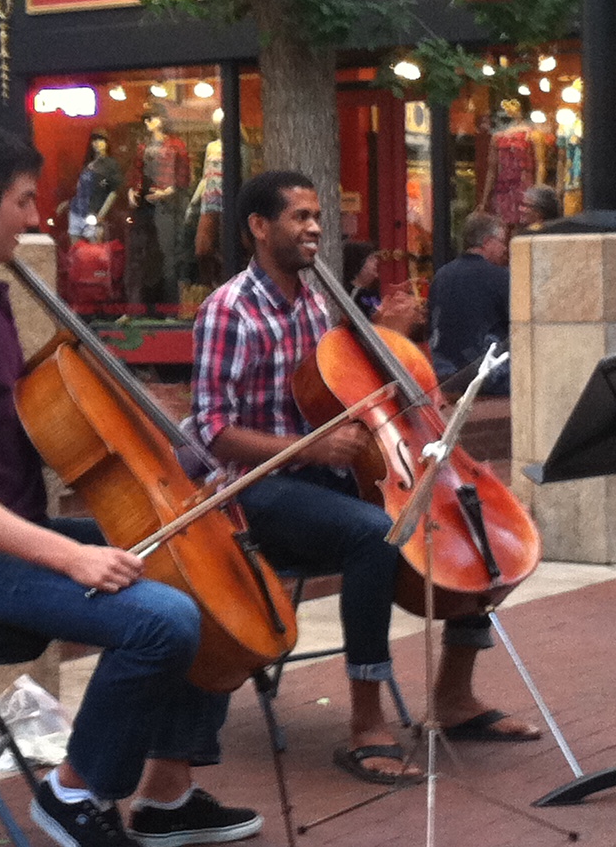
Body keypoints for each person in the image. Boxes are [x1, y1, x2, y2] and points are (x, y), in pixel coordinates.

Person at [0, 121, 261, 847]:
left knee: (209, 572)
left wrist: (162, 460)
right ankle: (74, 791)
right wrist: (71, 556)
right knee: (162, 620)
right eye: (24, 201)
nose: (36, 219)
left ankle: (167, 796)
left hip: (11, 532)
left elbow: (32, 428)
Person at [191, 172, 539, 787]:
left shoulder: (314, 301)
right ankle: (366, 722)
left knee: (475, 518)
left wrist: (391, 340)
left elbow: (344, 387)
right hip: (256, 489)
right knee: (372, 534)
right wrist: (312, 447)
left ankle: (454, 698)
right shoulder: (228, 311)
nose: (314, 227)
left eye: (316, 216)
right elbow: (212, 430)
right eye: (299, 216)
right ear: (259, 227)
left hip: (325, 474)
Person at [425, 210, 512, 397]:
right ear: (487, 242)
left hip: (444, 375)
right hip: (489, 378)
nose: (504, 249)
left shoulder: (441, 275)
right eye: (502, 242)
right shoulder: (501, 277)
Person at [342, 238, 424, 337]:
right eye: (371, 259)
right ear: (358, 264)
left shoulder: (365, 293)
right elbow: (378, 317)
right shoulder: (355, 295)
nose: (376, 261)